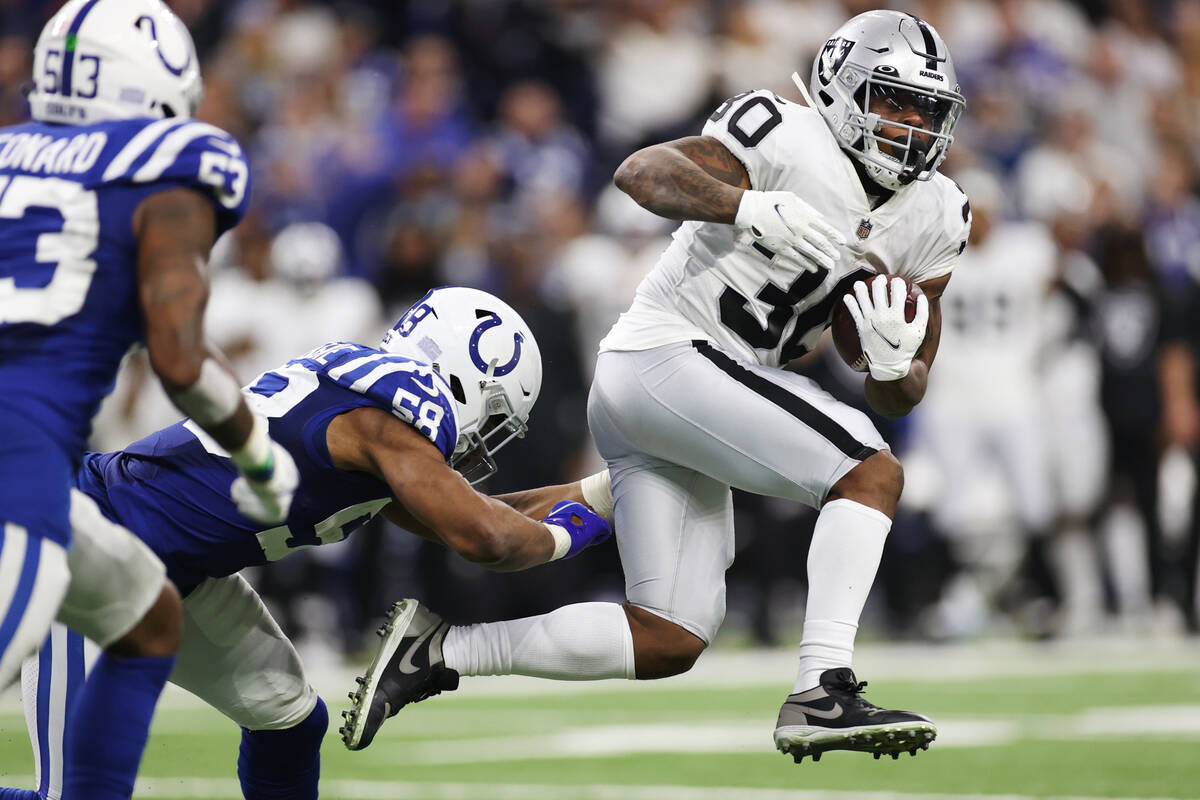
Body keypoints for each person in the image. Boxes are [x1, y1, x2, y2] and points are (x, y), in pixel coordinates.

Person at [342, 10, 970, 764]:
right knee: (867, 470)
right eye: (892, 101)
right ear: (840, 89)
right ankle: (823, 687)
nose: (909, 125)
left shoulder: (937, 213)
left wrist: (898, 366)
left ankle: (438, 653)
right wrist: (745, 204)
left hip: (700, 398)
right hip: (668, 354)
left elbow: (899, 394)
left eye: (925, 110)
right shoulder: (787, 135)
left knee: (671, 635)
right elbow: (640, 171)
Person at [7, 286, 613, 800]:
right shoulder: (388, 419)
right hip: (88, 543)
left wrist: (607, 494)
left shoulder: (374, 416)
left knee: (288, 717)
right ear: (464, 377)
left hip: (173, 569)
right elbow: (484, 537)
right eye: (494, 415)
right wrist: (571, 532)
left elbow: (483, 514)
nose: (484, 442)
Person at [0, 2, 297, 798]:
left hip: (44, 481)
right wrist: (258, 456)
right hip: (15, 472)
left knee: (146, 613)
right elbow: (180, 360)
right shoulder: (170, 162)